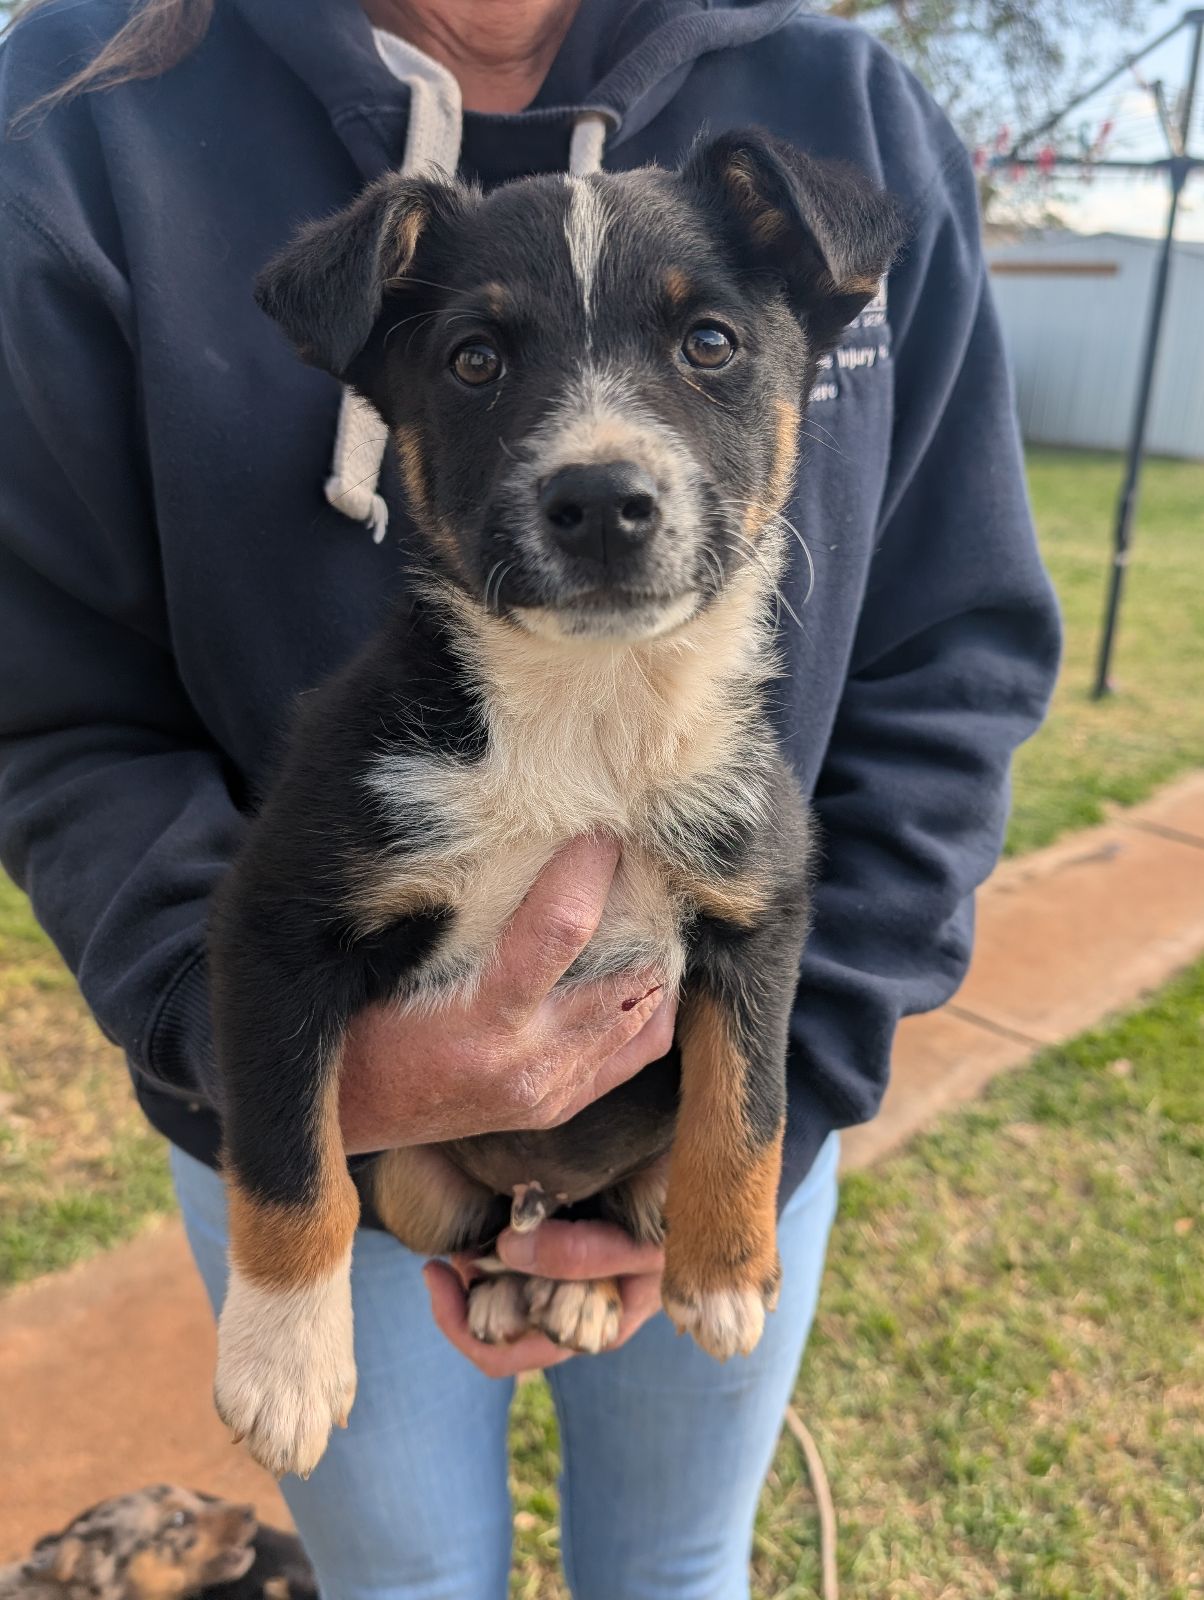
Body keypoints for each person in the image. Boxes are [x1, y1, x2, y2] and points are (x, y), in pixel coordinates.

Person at [0, 0, 1061, 1595]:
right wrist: (327, 1121)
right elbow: (52, 708)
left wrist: (741, 1162)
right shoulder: (76, 109)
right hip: (326, 1139)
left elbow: (950, 660)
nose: (601, 451)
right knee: (409, 1580)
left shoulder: (832, 105)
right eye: (483, 360)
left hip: (698, 1130)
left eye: (704, 347)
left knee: (679, 1561)